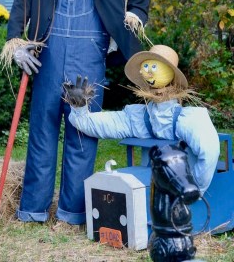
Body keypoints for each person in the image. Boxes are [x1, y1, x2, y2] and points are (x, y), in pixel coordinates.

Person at [0, 0, 150, 225]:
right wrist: (16, 42)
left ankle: (73, 211)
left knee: (83, 129)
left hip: (91, 51)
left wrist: (135, 14)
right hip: (49, 51)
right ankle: (33, 209)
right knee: (42, 127)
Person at [65, 45, 220, 194]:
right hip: (152, 187)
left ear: (171, 74)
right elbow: (98, 124)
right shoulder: (138, 118)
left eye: (155, 67)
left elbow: (210, 152)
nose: (150, 73)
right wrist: (79, 109)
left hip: (183, 190)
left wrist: (195, 189)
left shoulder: (191, 119)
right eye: (146, 67)